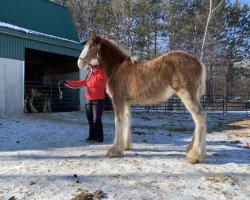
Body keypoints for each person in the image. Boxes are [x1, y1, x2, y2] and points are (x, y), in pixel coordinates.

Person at [64, 65, 106, 143]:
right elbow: (82, 82)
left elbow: (104, 77)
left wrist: (97, 68)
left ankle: (99, 137)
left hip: (98, 100)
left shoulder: (101, 72)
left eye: (92, 66)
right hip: (89, 99)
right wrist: (68, 82)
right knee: (90, 119)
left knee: (96, 119)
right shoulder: (90, 74)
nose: (90, 67)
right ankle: (92, 136)